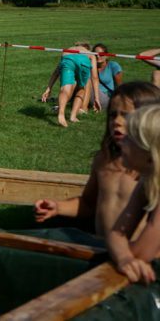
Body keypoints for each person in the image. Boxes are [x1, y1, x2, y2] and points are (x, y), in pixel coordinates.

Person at [34, 82, 160, 238]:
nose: (117, 121)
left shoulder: (152, 169)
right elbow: (88, 204)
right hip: (99, 246)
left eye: (126, 115)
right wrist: (58, 207)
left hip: (136, 250)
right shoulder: (104, 159)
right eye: (113, 115)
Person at [106, 103, 160, 284]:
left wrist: (125, 255)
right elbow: (116, 234)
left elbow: (144, 253)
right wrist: (123, 257)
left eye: (130, 139)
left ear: (150, 154)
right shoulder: (147, 180)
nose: (122, 141)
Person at [40, 43, 100, 127]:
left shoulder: (67, 50)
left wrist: (48, 88)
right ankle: (73, 116)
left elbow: (56, 72)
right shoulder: (90, 54)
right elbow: (95, 77)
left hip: (67, 59)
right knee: (81, 89)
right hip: (83, 61)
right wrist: (96, 98)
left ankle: (61, 113)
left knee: (65, 88)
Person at [94, 43, 124, 109]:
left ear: (107, 56)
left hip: (106, 97)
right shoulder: (90, 67)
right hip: (93, 95)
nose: (98, 56)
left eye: (101, 54)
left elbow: (119, 86)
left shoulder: (113, 66)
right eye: (95, 54)